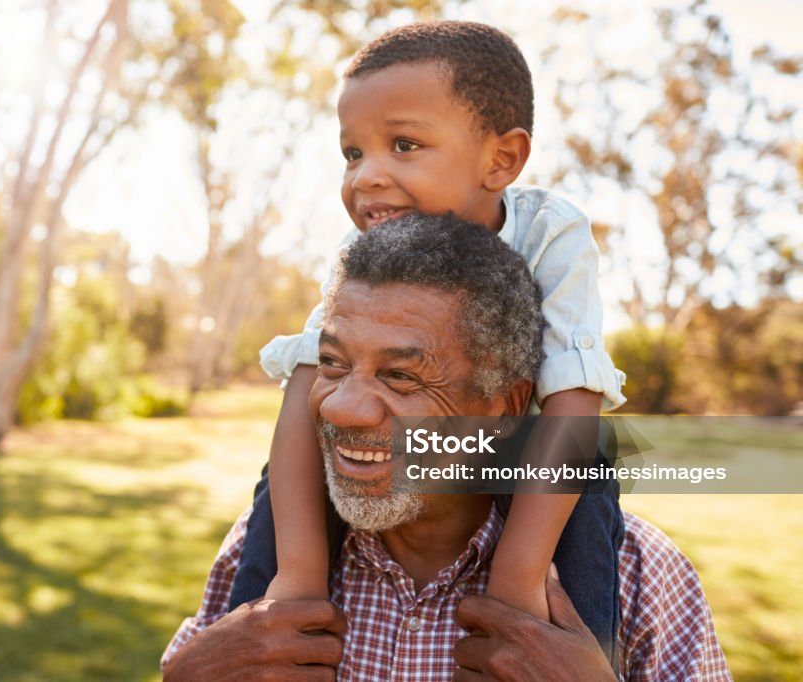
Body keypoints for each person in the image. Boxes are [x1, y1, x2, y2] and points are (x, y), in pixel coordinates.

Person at [162, 215, 730, 680]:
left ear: (506, 406)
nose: (340, 408)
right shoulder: (263, 548)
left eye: (402, 377)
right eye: (332, 364)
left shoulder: (638, 575)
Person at [232, 20, 628, 663]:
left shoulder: (550, 233)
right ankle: (253, 652)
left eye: (404, 144)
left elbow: (574, 398)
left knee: (591, 474)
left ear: (500, 159)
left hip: (532, 449)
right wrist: (296, 575)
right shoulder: (360, 254)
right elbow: (307, 385)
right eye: (353, 153)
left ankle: (573, 654)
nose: (366, 177)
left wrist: (517, 582)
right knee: (278, 486)